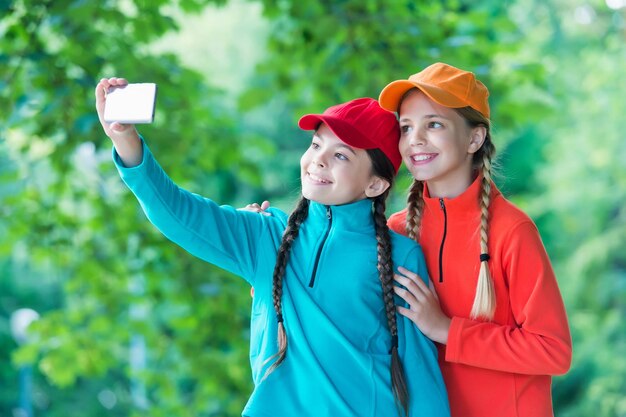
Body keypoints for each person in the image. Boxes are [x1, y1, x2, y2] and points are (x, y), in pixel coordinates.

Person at [95, 78, 450, 417]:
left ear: (375, 184)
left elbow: (419, 373)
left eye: (341, 156)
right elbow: (178, 213)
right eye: (315, 145)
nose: (319, 160)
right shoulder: (266, 236)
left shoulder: (400, 256)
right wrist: (125, 139)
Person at [378, 62, 573, 417]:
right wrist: (272, 273)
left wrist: (447, 330)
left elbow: (552, 351)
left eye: (433, 124)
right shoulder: (397, 230)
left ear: (474, 138)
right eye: (406, 128)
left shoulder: (512, 231)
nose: (415, 139)